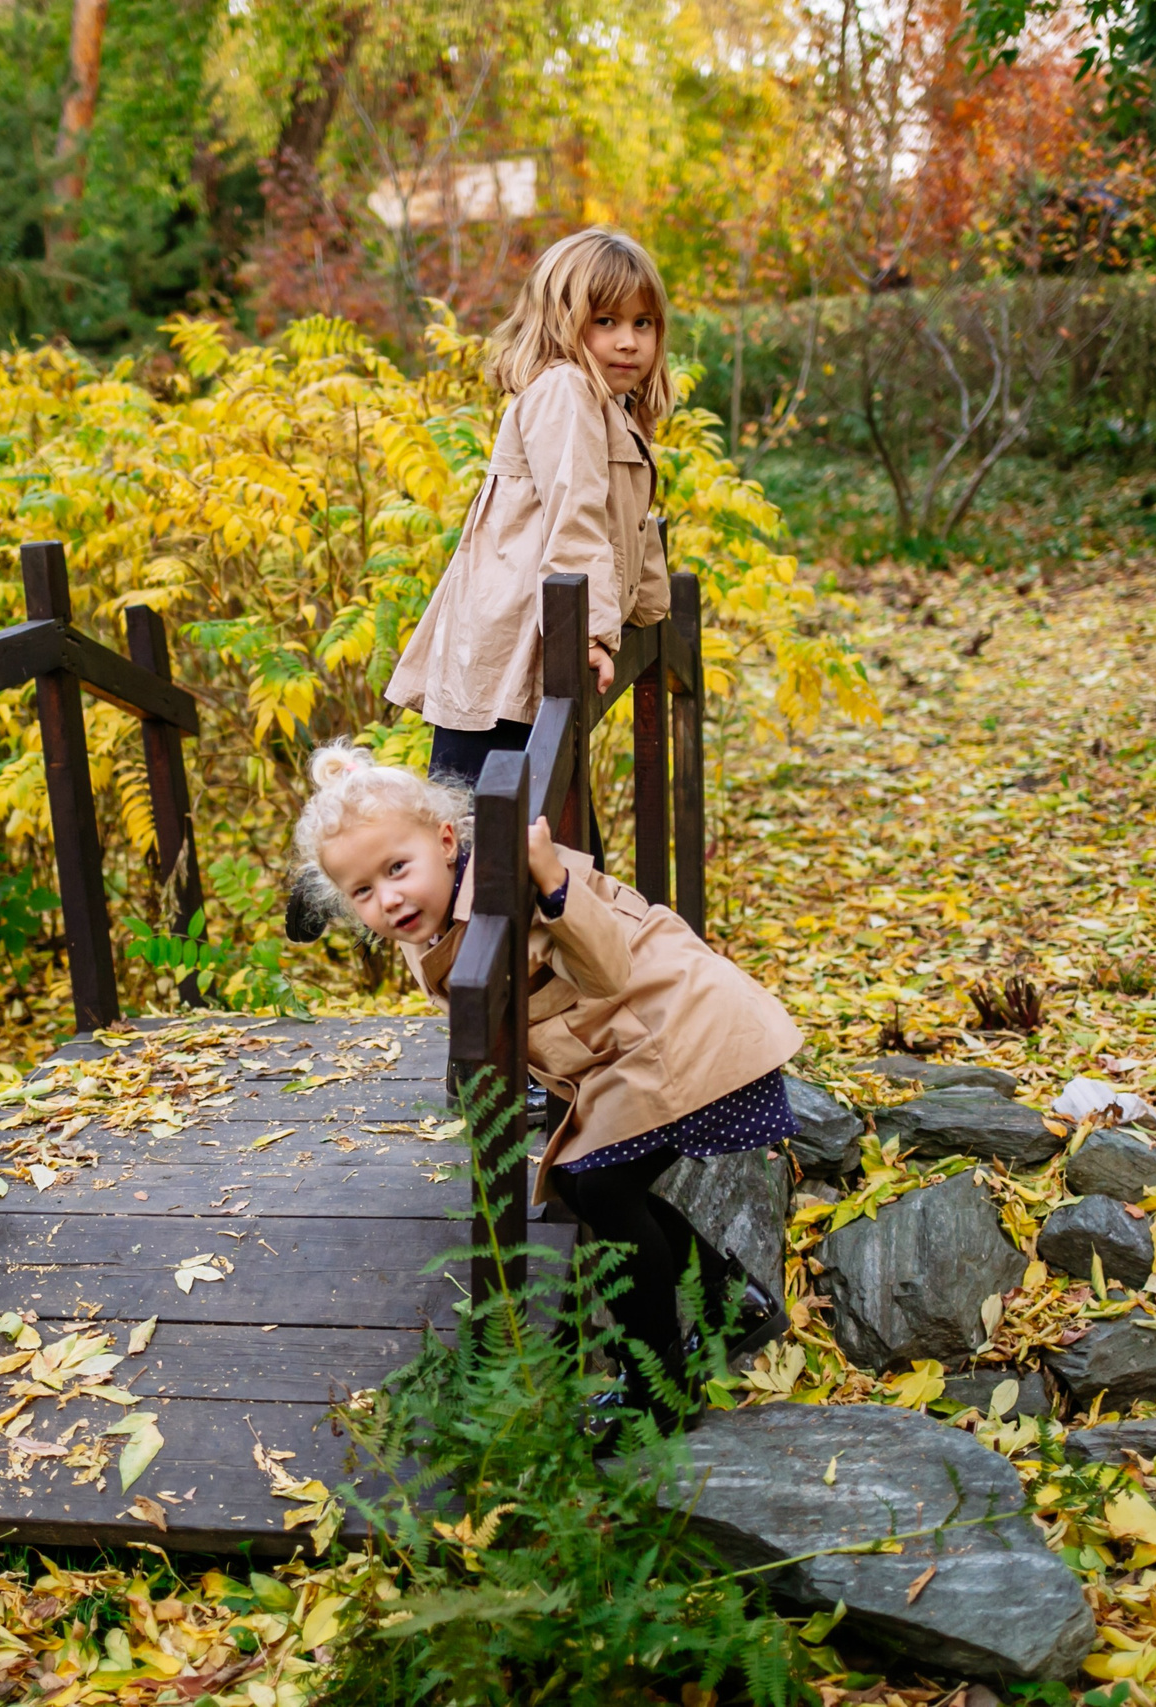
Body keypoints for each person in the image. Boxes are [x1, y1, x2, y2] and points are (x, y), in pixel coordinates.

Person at [293, 741, 797, 1430]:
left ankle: (660, 1387)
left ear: (446, 841)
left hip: (679, 1023)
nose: (388, 897)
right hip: (631, 1044)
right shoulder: (434, 917)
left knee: (604, 1189)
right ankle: (727, 1299)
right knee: (592, 1186)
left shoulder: (513, 882)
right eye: (363, 891)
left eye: (397, 868)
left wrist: (555, 881)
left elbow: (610, 972)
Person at [385, 227, 675, 793]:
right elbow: (577, 513)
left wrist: (646, 614)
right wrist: (589, 633)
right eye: (606, 322)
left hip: (530, 638)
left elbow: (627, 523)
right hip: (511, 643)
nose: (628, 342)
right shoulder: (564, 390)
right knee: (490, 833)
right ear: (563, 322)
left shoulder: (611, 405)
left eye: (642, 323)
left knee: (539, 825)